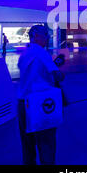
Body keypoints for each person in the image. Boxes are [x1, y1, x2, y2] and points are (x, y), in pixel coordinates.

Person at [17, 25, 64, 165]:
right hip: (40, 103)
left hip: (23, 102)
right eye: (45, 34)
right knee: (46, 143)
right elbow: (57, 76)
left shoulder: (25, 53)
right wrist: (60, 72)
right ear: (36, 36)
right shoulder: (41, 52)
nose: (47, 37)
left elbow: (32, 73)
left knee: (27, 145)